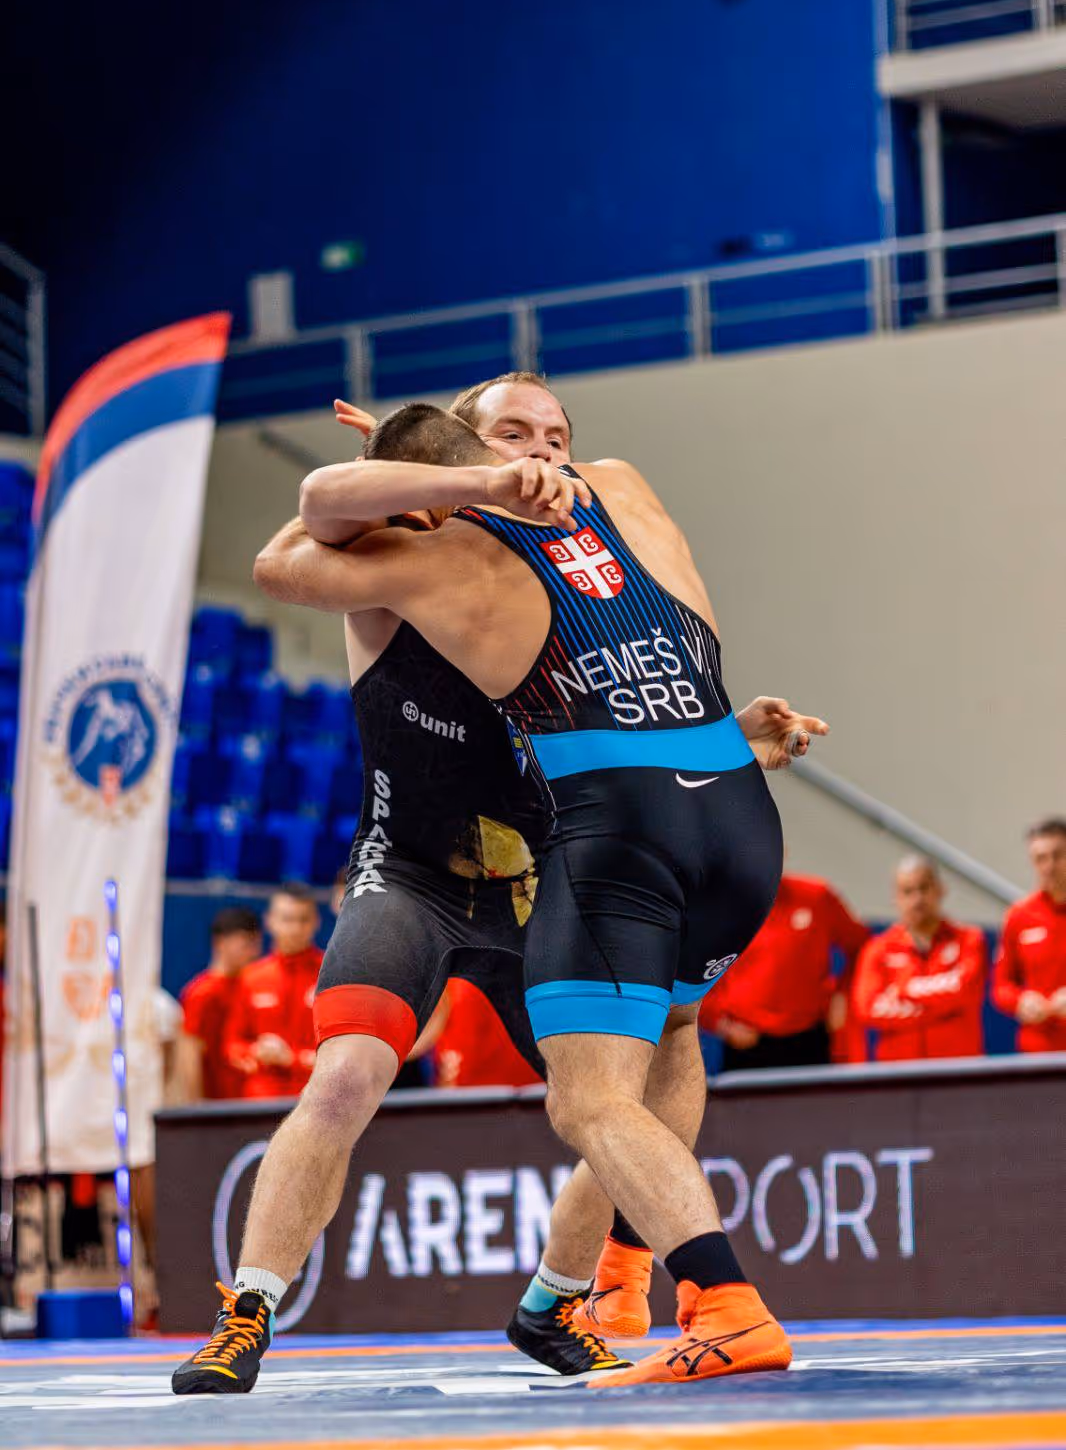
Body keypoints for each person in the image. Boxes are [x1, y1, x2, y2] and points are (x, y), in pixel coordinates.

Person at [243, 388, 829, 1388]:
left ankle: (685, 1297)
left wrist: (434, 468)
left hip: (594, 841)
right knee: (653, 1045)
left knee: (594, 1097)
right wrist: (428, 466)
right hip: (691, 818)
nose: (541, 455)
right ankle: (606, 1280)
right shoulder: (608, 496)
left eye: (556, 439)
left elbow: (285, 550)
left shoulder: (450, 554)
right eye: (515, 436)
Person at [702, 869, 868, 1070]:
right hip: (746, 1042)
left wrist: (843, 995)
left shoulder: (817, 896)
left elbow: (861, 946)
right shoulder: (721, 905)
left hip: (810, 1038)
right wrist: (719, 1023)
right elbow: (691, 971)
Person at [851, 857, 986, 1062]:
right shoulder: (878, 949)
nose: (917, 899)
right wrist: (940, 1008)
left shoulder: (969, 939)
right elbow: (867, 1009)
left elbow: (966, 989)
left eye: (924, 888)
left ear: (940, 890)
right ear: (896, 898)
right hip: (898, 1072)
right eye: (908, 891)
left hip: (958, 1069)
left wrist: (903, 990)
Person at [222, 884, 323, 1100]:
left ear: (316, 922)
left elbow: (343, 1048)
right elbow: (232, 1044)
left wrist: (292, 1058)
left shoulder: (330, 974)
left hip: (314, 1099)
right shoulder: (251, 977)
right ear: (270, 921)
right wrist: (257, 1052)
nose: (295, 928)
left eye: (303, 920)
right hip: (261, 1100)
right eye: (287, 919)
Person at [993, 817, 1066, 1054]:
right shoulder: (1019, 916)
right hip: (1038, 1051)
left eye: (1058, 856)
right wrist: (1021, 1001)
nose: (1049, 866)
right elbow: (1001, 986)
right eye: (1040, 858)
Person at [178, 907, 262, 1101]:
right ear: (221, 943)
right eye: (246, 944)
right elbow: (189, 1055)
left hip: (251, 1100)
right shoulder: (202, 993)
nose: (254, 952)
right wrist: (196, 1108)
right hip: (217, 1104)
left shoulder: (254, 986)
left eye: (256, 944)